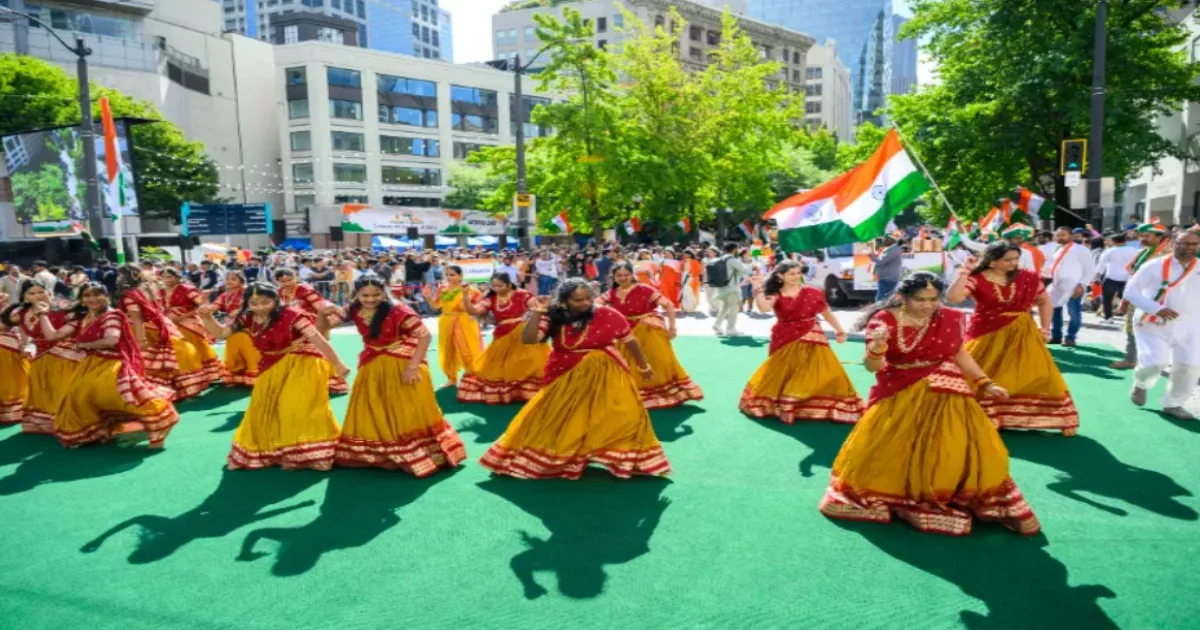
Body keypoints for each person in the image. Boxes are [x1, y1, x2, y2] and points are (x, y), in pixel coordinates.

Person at [818, 272, 1040, 536]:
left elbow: (958, 352)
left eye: (935, 299)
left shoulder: (949, 317)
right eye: (921, 300)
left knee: (958, 443)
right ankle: (901, 493)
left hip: (948, 387)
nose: (929, 305)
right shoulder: (885, 320)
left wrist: (984, 382)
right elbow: (872, 367)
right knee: (894, 447)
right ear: (902, 297)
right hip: (900, 389)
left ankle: (948, 490)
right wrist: (877, 348)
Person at [479, 278, 671, 479]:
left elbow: (629, 340)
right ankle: (559, 455)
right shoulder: (554, 316)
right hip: (565, 373)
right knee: (558, 417)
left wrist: (643, 366)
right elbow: (529, 339)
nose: (586, 303)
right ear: (564, 301)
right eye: (579, 300)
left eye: (589, 298)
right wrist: (537, 313)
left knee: (624, 414)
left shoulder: (606, 313)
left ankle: (626, 458)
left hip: (607, 372)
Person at [198, 283, 350, 470]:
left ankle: (309, 452)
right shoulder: (247, 317)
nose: (260, 307)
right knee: (263, 408)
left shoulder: (292, 315)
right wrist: (207, 317)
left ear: (275, 300)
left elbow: (317, 339)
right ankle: (276, 449)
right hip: (271, 363)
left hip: (303, 360)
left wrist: (338, 364)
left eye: (265, 302)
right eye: (253, 303)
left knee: (295, 405)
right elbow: (221, 333)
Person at [329, 275, 466, 474]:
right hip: (373, 362)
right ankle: (379, 451)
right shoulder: (353, 309)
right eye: (364, 295)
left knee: (405, 409)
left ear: (384, 292)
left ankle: (415, 452)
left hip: (402, 362)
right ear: (356, 294)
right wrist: (324, 313)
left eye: (376, 294)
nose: (370, 299)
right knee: (373, 405)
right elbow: (328, 324)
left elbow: (425, 336)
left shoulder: (398, 310)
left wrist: (413, 366)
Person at [947, 242, 1079, 436]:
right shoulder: (976, 278)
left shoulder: (1028, 277)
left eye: (1016, 259)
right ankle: (978, 414)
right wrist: (963, 273)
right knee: (976, 372)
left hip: (1023, 332)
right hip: (986, 332)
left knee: (1038, 373)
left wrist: (1045, 328)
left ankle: (1054, 416)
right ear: (991, 262)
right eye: (1007, 260)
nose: (1013, 263)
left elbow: (1044, 301)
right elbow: (954, 298)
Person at [39, 283, 179, 448]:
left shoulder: (111, 316)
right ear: (82, 300)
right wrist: (42, 314)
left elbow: (111, 340)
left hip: (112, 364)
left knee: (124, 398)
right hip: (91, 365)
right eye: (87, 296)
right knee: (78, 397)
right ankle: (94, 434)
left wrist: (82, 345)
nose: (92, 299)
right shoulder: (84, 318)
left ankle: (162, 420)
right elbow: (52, 336)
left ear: (107, 297)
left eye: (97, 294)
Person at [740, 261, 864, 423]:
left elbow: (826, 312)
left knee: (817, 370)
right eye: (791, 274)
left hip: (812, 334)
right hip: (785, 336)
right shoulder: (775, 293)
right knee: (784, 371)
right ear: (780, 276)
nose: (796, 277)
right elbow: (764, 308)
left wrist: (839, 329)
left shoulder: (812, 292)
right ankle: (783, 403)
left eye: (798, 273)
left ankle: (796, 403)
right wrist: (757, 288)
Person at [596, 262, 703, 409]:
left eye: (626, 274)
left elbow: (669, 305)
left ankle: (664, 393)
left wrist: (672, 327)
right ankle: (634, 393)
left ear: (632, 275)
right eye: (619, 275)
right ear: (613, 277)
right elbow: (594, 306)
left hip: (648, 329)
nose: (623, 278)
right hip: (625, 331)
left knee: (657, 361)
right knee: (627, 362)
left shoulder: (644, 289)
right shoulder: (612, 292)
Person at [1126, 230, 1200, 420]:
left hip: (1191, 325)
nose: (1188, 248)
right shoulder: (1154, 266)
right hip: (1154, 323)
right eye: (1183, 243)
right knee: (1155, 362)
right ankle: (1142, 384)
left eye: (1193, 244)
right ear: (1172, 244)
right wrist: (1155, 308)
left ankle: (1174, 403)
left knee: (1190, 366)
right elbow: (1131, 292)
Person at [458, 272, 550, 404]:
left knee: (527, 362)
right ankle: (510, 393)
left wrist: (541, 302)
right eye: (494, 286)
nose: (496, 289)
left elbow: (535, 304)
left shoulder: (522, 294)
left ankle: (526, 392)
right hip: (502, 336)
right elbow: (474, 311)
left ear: (508, 284)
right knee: (499, 368)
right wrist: (465, 295)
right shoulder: (491, 299)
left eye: (500, 286)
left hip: (522, 333)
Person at [2, 281, 82, 434]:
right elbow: (10, 327)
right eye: (32, 293)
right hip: (41, 357)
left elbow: (76, 326)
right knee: (44, 389)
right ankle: (51, 423)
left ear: (48, 292)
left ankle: (70, 422)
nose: (37, 296)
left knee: (62, 389)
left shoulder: (63, 307)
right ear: (25, 298)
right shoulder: (21, 314)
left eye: (40, 292)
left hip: (66, 354)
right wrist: (24, 345)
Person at [275, 267, 347, 394]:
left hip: (312, 325)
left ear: (296, 277)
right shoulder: (279, 293)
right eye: (282, 281)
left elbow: (320, 306)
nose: (286, 284)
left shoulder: (305, 290)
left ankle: (332, 380)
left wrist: (327, 323)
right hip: (293, 328)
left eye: (289, 280)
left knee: (319, 351)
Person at [113, 264, 181, 397]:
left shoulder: (130, 295)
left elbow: (137, 318)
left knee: (144, 360)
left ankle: (151, 390)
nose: (117, 278)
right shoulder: (148, 287)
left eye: (120, 275)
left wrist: (141, 339)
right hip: (160, 323)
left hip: (143, 328)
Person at [1110, 222, 1171, 369]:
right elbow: (1133, 277)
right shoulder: (1141, 252)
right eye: (1142, 235)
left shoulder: (1166, 255)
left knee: (1155, 331)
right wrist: (1125, 299)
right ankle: (1131, 358)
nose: (1143, 238)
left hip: (1156, 298)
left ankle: (1152, 361)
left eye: (1147, 236)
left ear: (1159, 238)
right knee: (1132, 328)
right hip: (1137, 297)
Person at [159, 268, 223, 398]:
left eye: (170, 277)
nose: (167, 280)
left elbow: (201, 306)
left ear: (177, 277)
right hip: (169, 322)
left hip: (188, 320)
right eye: (165, 277)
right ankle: (182, 376)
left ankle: (207, 374)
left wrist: (183, 317)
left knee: (194, 344)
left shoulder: (187, 289)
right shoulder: (160, 291)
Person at [426, 265, 485, 386]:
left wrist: (475, 314)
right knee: (448, 350)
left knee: (466, 350)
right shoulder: (442, 289)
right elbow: (436, 306)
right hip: (446, 321)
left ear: (460, 276)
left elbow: (481, 304)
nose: (449, 277)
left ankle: (473, 377)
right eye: (447, 275)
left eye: (452, 275)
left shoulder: (468, 289)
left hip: (463, 322)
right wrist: (427, 297)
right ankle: (451, 378)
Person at [1046, 226, 1097, 347]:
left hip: (1074, 286)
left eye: (1063, 235)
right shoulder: (1057, 249)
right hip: (1057, 285)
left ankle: (1070, 337)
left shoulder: (1080, 249)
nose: (1060, 237)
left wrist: (1082, 285)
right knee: (1055, 310)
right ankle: (1056, 336)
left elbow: (1090, 269)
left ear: (1071, 235)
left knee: (1073, 312)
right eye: (1058, 235)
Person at [212, 271, 260, 387]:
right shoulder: (225, 294)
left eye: (233, 279)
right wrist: (206, 309)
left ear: (241, 280)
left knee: (247, 348)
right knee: (233, 347)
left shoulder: (247, 292)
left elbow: (254, 305)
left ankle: (254, 376)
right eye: (228, 279)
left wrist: (239, 311)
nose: (229, 281)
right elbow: (215, 306)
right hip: (232, 324)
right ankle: (235, 375)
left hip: (249, 323)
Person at [0, 294, 30, 425]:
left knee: (8, 379)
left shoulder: (13, 311)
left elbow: (22, 327)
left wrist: (24, 345)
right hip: (6, 346)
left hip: (7, 348)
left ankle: (10, 411)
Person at [1095, 233, 1137, 322]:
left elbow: (1101, 264)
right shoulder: (1134, 250)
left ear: (1113, 241)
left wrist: (1097, 277)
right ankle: (1129, 317)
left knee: (1107, 299)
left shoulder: (1109, 251)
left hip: (1111, 277)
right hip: (1128, 278)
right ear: (1125, 241)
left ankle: (1108, 317)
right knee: (1128, 298)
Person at [709, 242, 749, 336]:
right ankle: (731, 329)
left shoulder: (721, 259)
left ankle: (717, 324)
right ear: (734, 249)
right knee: (734, 308)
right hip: (731, 288)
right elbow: (745, 270)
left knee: (725, 306)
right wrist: (750, 264)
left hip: (722, 287)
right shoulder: (732, 260)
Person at [869, 237, 903, 302]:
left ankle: (880, 310)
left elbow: (881, 262)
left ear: (890, 241)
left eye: (885, 239)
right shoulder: (892, 249)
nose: (883, 241)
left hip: (888, 278)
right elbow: (882, 259)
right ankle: (883, 309)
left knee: (881, 298)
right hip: (888, 277)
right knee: (886, 297)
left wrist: (872, 257)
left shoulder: (893, 250)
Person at [679, 250, 703, 314]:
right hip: (683, 278)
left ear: (691, 254)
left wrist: (692, 276)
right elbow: (680, 270)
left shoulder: (695, 262)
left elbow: (698, 271)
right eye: (685, 254)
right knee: (685, 293)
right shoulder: (682, 262)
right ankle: (684, 307)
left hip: (692, 279)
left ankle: (690, 308)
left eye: (688, 254)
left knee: (691, 293)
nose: (686, 255)